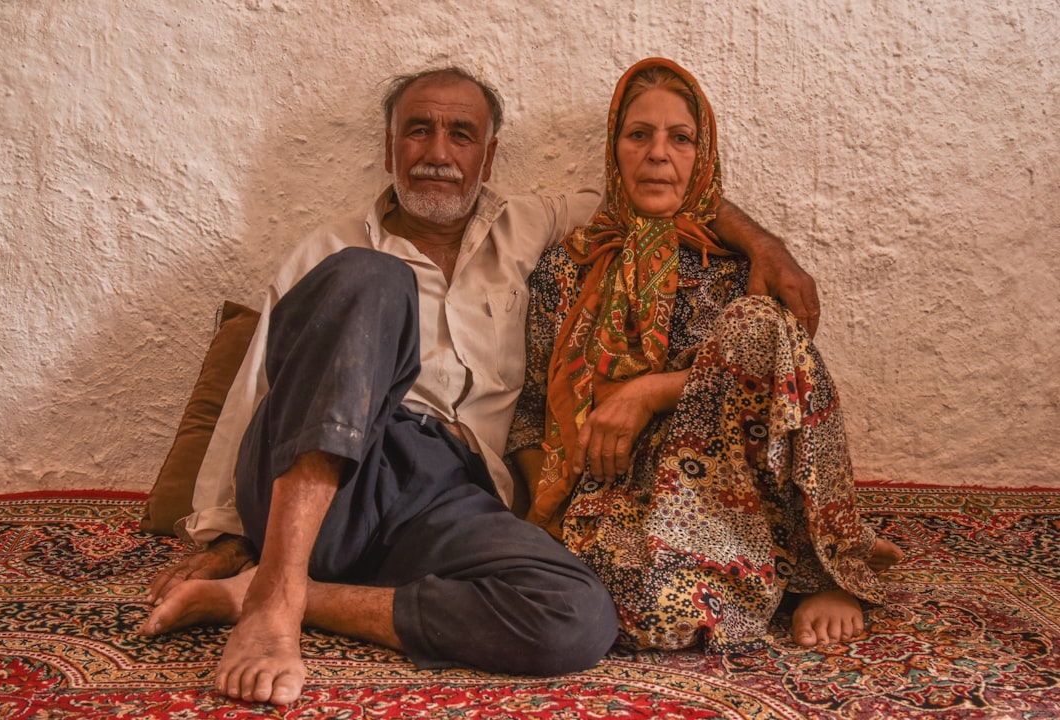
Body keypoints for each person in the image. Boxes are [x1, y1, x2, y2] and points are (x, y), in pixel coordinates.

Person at [140, 65, 821, 706]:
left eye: (460, 134)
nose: (438, 151)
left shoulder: (528, 227)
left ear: (488, 157)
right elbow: (257, 389)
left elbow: (658, 188)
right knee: (375, 278)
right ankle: (276, 594)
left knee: (578, 618)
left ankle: (279, 595)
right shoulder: (330, 250)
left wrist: (768, 248)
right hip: (329, 476)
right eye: (419, 130)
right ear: (389, 148)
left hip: (446, 497)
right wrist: (229, 532)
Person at [507, 57, 903, 654]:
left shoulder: (744, 267)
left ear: (703, 155)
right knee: (660, 620)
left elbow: (781, 378)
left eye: (681, 138)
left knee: (762, 326)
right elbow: (533, 413)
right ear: (616, 150)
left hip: (734, 484)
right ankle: (741, 573)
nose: (658, 154)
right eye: (639, 135)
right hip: (620, 490)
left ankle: (819, 574)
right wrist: (548, 532)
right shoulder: (568, 267)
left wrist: (647, 392)